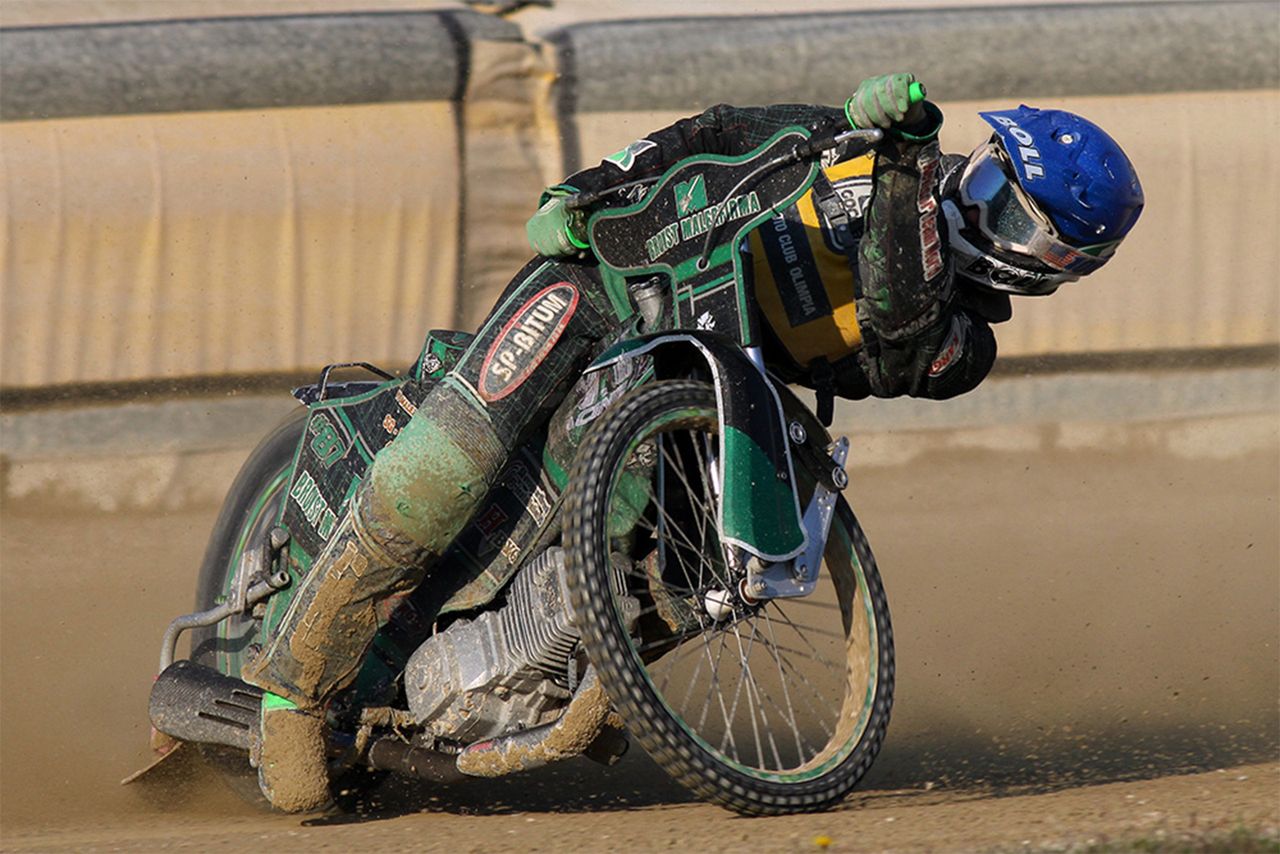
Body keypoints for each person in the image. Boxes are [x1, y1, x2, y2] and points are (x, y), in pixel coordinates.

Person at [241, 72, 1144, 811]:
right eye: (992, 185)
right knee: (449, 465)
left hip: (698, 390)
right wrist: (581, 192)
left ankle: (548, 680)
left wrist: (904, 163)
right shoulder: (849, 146)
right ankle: (294, 694)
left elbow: (898, 321)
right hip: (600, 285)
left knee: (695, 574)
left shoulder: (963, 344)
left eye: (1024, 227)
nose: (986, 216)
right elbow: (710, 133)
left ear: (1065, 269)